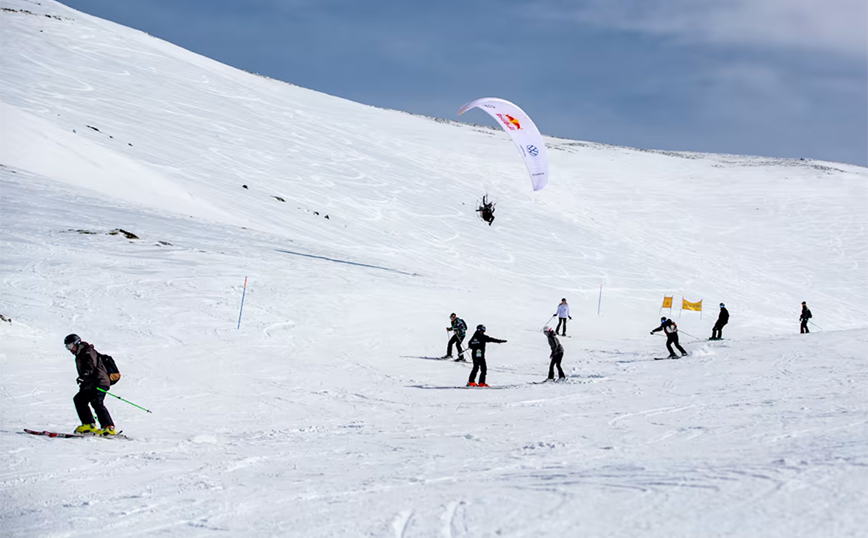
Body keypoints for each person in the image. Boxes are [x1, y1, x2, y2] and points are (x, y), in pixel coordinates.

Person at [65, 334, 116, 436]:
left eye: (70, 346)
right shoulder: (79, 353)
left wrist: (84, 375)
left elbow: (91, 366)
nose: (69, 349)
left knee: (97, 402)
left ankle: (109, 427)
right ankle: (89, 424)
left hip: (100, 381)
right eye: (67, 347)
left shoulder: (86, 351)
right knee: (79, 399)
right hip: (91, 382)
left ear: (76, 343)